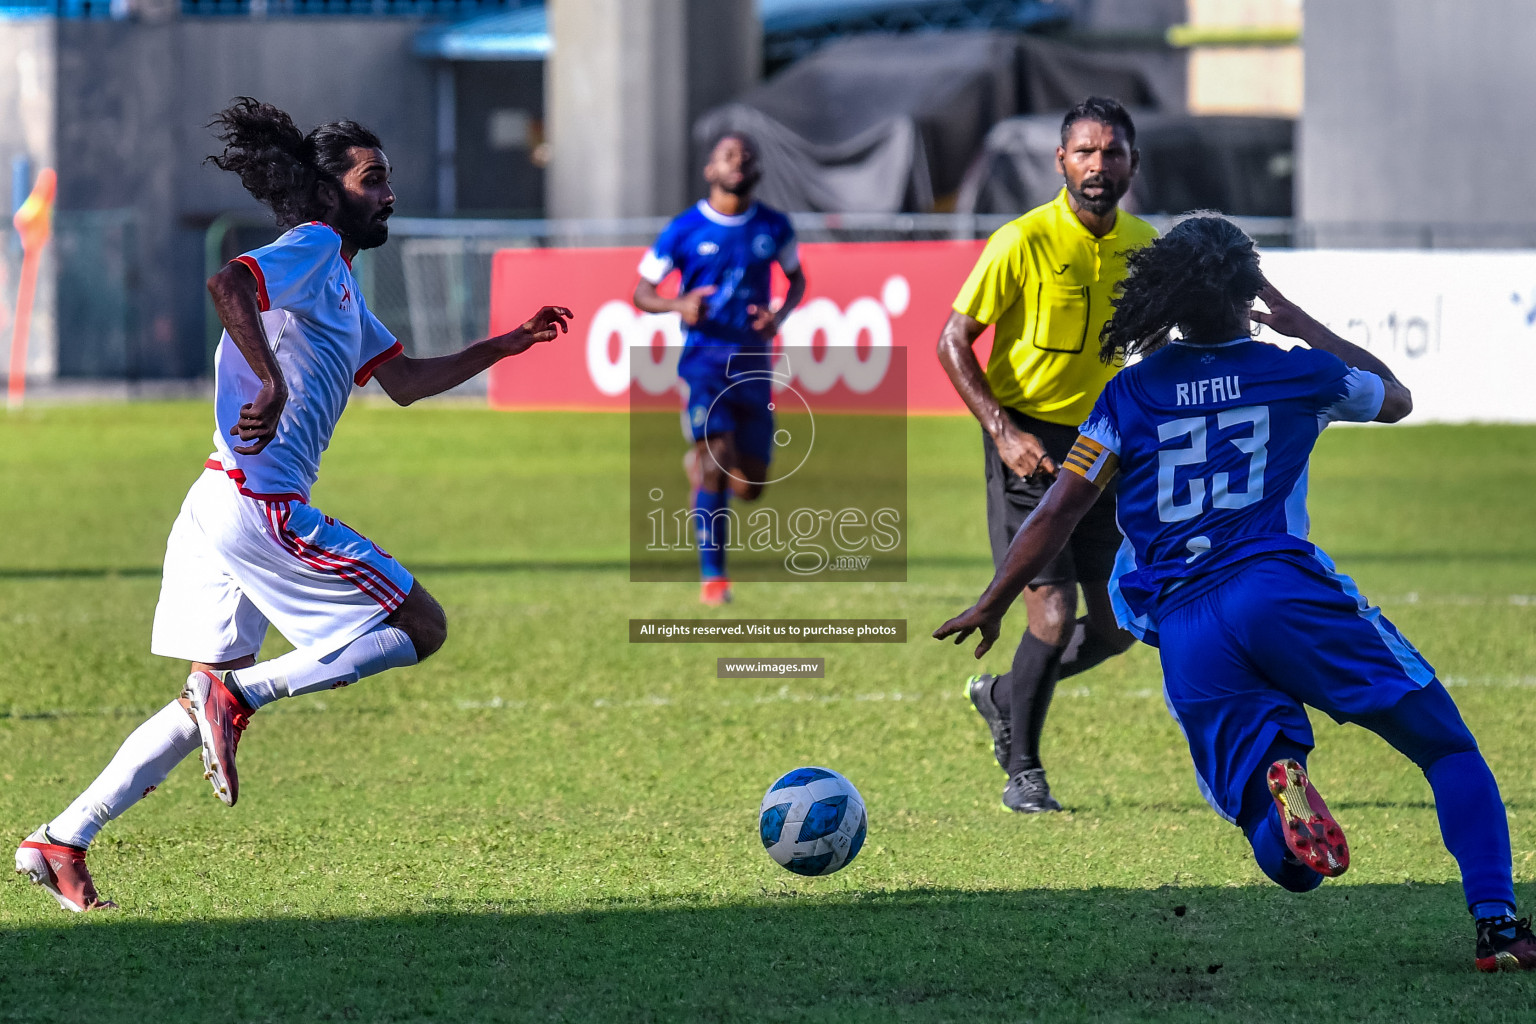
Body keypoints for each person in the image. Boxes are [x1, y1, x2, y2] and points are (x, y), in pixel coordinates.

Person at [935, 215, 1535, 973]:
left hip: (1188, 629)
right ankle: (1498, 923)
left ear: (1168, 299)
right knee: (1447, 747)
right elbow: (1397, 397)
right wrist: (1300, 322)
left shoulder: (1129, 395)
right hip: (1281, 593)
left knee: (1284, 852)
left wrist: (994, 599)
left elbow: (1057, 510)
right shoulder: (1297, 370)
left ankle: (1282, 799)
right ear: (1250, 289)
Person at [14, 98, 572, 913]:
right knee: (419, 627)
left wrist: (504, 345)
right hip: (257, 501)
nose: (388, 195)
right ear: (330, 191)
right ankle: (242, 699)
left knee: (198, 690)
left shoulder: (338, 281)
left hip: (217, 501)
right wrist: (269, 382)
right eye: (373, 179)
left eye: (387, 180)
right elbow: (229, 281)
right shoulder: (311, 247)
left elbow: (406, 383)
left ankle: (61, 838)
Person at [936, 97, 1155, 812]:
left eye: (1112, 151)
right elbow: (951, 340)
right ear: (1060, 161)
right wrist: (1003, 431)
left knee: (1121, 624)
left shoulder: (1147, 247)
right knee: (1053, 614)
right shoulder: (1021, 240)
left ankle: (1003, 695)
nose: (1099, 165)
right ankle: (1023, 772)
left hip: (1107, 446)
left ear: (1131, 162)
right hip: (1027, 441)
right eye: (1085, 152)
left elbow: (1155, 350)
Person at [633, 132, 806, 606]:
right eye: (728, 155)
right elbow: (641, 292)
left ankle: (709, 468)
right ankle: (715, 578)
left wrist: (779, 314)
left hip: (753, 367)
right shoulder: (684, 229)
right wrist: (677, 303)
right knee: (714, 462)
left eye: (746, 156)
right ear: (710, 170)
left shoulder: (774, 225)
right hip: (703, 364)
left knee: (750, 485)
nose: (738, 162)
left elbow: (796, 279)